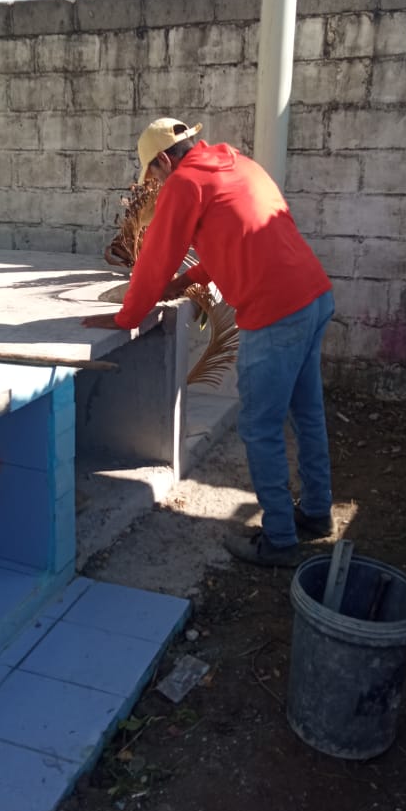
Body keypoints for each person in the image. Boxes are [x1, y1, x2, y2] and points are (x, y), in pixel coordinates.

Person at [82, 118, 335, 567]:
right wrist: (186, 282)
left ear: (164, 160)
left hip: (275, 314)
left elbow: (156, 258)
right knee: (307, 413)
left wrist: (126, 317)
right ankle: (316, 513)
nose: (156, 185)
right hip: (313, 296)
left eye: (153, 174)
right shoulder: (238, 164)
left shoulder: (185, 183)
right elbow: (242, 238)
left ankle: (280, 540)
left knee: (259, 427)